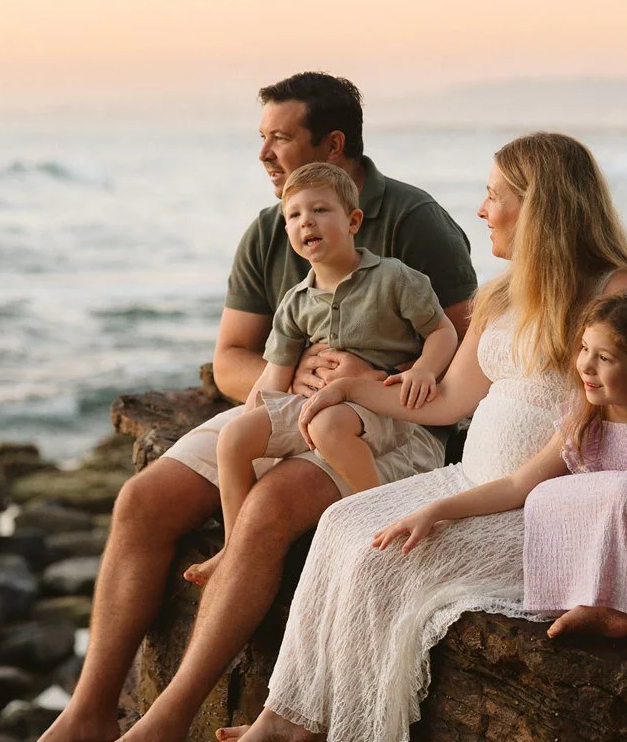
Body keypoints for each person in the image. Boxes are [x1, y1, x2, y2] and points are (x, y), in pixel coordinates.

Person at [208, 132, 627, 742]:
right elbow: (447, 400)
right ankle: (289, 712)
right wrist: (354, 387)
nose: (482, 208)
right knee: (341, 526)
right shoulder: (500, 293)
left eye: (494, 195)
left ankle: (314, 730)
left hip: (548, 504)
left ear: (539, 206)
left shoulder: (618, 285)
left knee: (389, 562)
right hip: (477, 477)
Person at [2, 72, 476, 742]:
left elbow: (470, 352)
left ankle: (167, 719)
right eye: (261, 137)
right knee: (142, 500)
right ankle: (92, 705)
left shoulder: (414, 221)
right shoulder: (270, 227)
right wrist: (284, 378)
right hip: (283, 401)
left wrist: (365, 379)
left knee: (268, 508)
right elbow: (230, 358)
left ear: (333, 142)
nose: (263, 153)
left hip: (384, 422)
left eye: (279, 137)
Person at [369, 288, 627, 664]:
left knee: (626, 490)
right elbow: (517, 486)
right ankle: (607, 608)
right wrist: (435, 511)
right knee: (546, 495)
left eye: (605, 358)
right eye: (584, 348)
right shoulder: (583, 421)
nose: (585, 365)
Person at [193, 160, 460, 588]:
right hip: (315, 402)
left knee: (328, 423)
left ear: (353, 220)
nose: (306, 222)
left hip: (381, 404)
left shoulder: (394, 278)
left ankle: (374, 520)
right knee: (234, 438)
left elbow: (442, 332)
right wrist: (255, 421)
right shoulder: (296, 301)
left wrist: (425, 370)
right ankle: (231, 546)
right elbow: (274, 381)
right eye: (294, 215)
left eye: (320, 210)